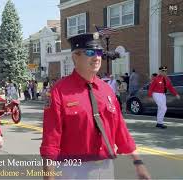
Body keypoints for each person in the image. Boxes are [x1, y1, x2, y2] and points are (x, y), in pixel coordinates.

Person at [40, 33, 151, 179]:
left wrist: (138, 163)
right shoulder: (59, 91)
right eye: (90, 52)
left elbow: (120, 128)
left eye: (99, 53)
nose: (97, 57)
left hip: (105, 168)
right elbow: (51, 138)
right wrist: (48, 176)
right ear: (75, 56)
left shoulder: (106, 90)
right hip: (73, 170)